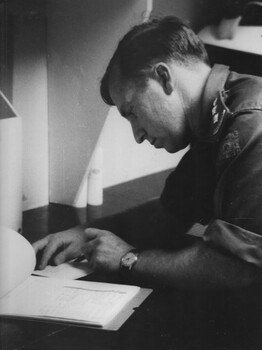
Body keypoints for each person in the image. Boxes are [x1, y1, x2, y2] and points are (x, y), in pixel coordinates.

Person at [33, 16, 262, 290]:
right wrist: (84, 234)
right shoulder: (217, 118)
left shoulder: (250, 121)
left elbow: (244, 271)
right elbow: (168, 216)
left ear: (164, 77)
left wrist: (128, 260)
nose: (138, 135)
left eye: (132, 112)